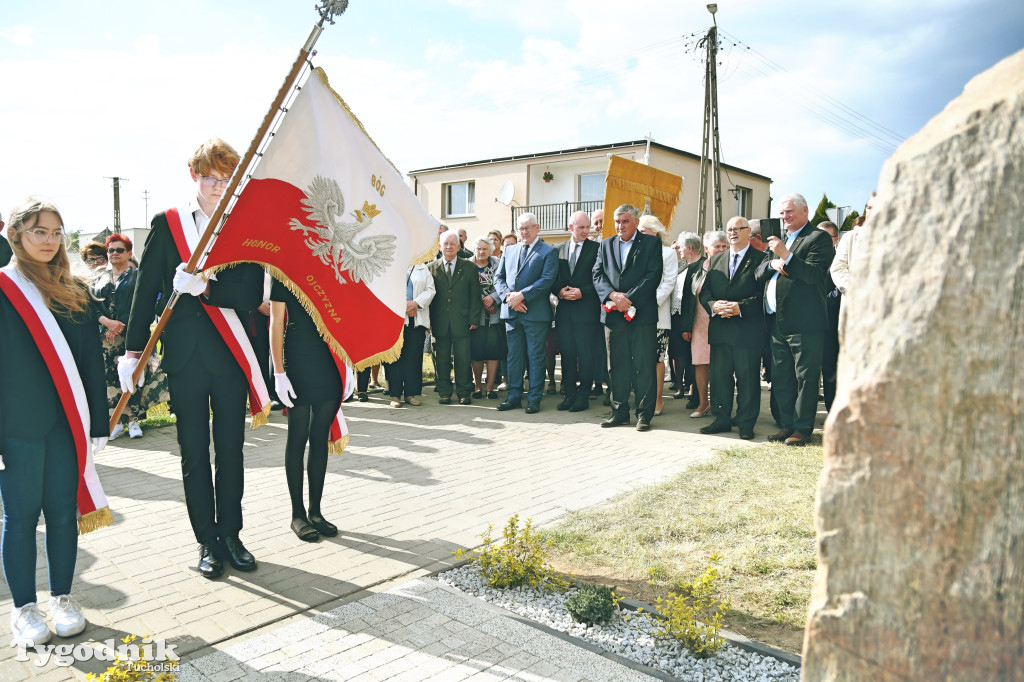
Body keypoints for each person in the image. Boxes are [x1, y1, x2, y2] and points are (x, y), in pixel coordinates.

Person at [121, 138, 268, 579]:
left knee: (231, 450)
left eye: (226, 179)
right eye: (210, 178)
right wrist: (132, 351)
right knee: (192, 452)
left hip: (230, 354)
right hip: (184, 356)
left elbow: (250, 292)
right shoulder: (168, 224)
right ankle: (206, 539)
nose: (217, 187)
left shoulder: (242, 224)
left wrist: (206, 288)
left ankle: (232, 535)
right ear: (195, 177)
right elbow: (145, 290)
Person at [0, 199, 111, 646]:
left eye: (56, 232)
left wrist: (98, 424)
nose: (49, 240)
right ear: (16, 235)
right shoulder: (4, 288)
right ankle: (24, 608)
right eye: (38, 232)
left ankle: (62, 598)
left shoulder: (76, 290)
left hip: (68, 426)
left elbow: (90, 363)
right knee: (21, 517)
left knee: (65, 514)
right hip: (16, 427)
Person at [270, 278, 350, 542]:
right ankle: (297, 514)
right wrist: (279, 372)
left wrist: (348, 364)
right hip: (299, 358)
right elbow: (276, 322)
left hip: (329, 358)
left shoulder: (330, 264)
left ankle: (315, 512)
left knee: (319, 438)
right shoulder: (282, 268)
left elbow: (347, 313)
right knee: (298, 437)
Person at [754, 193, 836, 446]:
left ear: (805, 211)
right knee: (781, 378)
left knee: (806, 378)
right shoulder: (780, 240)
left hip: (805, 322)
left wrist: (786, 256)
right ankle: (787, 424)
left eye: (789, 212)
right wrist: (773, 264)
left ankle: (802, 428)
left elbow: (814, 275)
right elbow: (759, 273)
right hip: (777, 322)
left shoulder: (817, 238)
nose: (784, 217)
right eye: (781, 213)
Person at [593, 204, 664, 431]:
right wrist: (612, 295)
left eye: (624, 221)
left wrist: (628, 299)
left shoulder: (651, 243)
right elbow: (597, 274)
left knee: (643, 365)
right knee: (616, 366)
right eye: (616, 221)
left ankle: (644, 414)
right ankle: (619, 411)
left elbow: (653, 275)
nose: (619, 226)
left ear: (635, 222)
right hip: (613, 317)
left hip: (641, 315)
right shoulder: (606, 244)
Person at [94, 233, 168, 440]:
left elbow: (141, 305)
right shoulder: (98, 278)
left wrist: (120, 326)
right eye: (110, 250)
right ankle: (116, 422)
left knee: (132, 378)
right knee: (111, 380)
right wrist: (106, 323)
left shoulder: (138, 276)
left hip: (131, 337)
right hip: (106, 338)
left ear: (129, 253)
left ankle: (133, 421)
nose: (114, 254)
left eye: (119, 250)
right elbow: (91, 305)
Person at [698, 217, 766, 439]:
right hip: (721, 330)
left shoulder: (761, 259)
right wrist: (713, 305)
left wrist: (741, 308)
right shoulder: (716, 260)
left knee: (747, 380)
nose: (733, 233)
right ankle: (721, 418)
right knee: (720, 378)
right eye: (729, 230)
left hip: (746, 330)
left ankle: (746, 423)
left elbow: (763, 295)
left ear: (749, 233)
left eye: (738, 229)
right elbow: (705, 292)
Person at [494, 213, 558, 414]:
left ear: (537, 227)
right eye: (520, 228)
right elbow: (499, 277)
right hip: (512, 313)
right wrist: (509, 298)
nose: (524, 232)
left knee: (535, 356)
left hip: (535, 314)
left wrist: (522, 295)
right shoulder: (509, 250)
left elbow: (547, 280)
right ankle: (513, 397)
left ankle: (534, 398)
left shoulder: (548, 251)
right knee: (514, 356)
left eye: (528, 228)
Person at [427, 230, 482, 404]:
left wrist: (474, 319)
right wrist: (428, 323)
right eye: (446, 243)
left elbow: (475, 296)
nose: (449, 246)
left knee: (463, 358)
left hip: (463, 322)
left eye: (452, 243)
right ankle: (444, 391)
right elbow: (429, 298)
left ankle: (464, 392)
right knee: (442, 359)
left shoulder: (470, 267)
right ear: (439, 246)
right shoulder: (431, 268)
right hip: (439, 322)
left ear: (459, 246)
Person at [554, 211, 600, 412]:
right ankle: (569, 395)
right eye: (581, 227)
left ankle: (583, 396)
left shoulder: (597, 249)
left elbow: (601, 279)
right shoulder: (558, 250)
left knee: (586, 354)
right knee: (567, 354)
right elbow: (552, 277)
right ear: (571, 227)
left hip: (587, 312)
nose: (585, 231)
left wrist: (584, 292)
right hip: (565, 313)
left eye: (587, 227)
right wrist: (559, 291)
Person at [637, 215, 679, 417]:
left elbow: (669, 282)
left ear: (655, 232)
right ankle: (642, 398)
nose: (639, 234)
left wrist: (650, 303)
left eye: (643, 231)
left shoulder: (668, 253)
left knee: (656, 358)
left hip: (657, 314)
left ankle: (658, 398)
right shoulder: (636, 250)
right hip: (635, 314)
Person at [685, 231, 728, 419]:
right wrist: (686, 326)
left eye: (723, 246)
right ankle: (703, 403)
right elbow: (688, 298)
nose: (721, 249)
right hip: (699, 321)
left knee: (720, 365)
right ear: (707, 248)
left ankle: (721, 405)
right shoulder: (697, 268)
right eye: (717, 246)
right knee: (700, 363)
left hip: (721, 321)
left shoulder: (729, 266)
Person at [384, 263, 435, 408]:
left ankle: (410, 394)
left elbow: (430, 290)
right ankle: (395, 395)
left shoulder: (422, 268)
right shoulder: (391, 265)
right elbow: (385, 291)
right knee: (395, 359)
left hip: (416, 320)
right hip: (395, 320)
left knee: (413, 357)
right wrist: (404, 305)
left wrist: (415, 303)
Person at [469, 237, 505, 399]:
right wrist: (481, 302)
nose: (481, 252)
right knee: (476, 353)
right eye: (478, 248)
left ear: (490, 250)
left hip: (494, 314)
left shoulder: (498, 263)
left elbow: (504, 283)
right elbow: (465, 289)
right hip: (475, 316)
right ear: (474, 249)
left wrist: (493, 299)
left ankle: (490, 388)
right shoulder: (467, 265)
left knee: (493, 352)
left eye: (485, 248)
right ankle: (477, 387)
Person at [670, 232, 703, 406]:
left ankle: (695, 393)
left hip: (692, 321)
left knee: (693, 358)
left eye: (681, 247)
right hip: (678, 318)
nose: (679, 250)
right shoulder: (683, 266)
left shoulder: (701, 266)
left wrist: (687, 327)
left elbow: (691, 299)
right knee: (679, 353)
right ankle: (681, 385)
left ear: (689, 248)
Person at [818, 221, 842, 412]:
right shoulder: (810, 258)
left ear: (836, 240)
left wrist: (815, 300)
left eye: (825, 237)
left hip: (829, 325)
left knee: (830, 371)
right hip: (807, 325)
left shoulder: (839, 261)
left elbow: (838, 293)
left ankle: (832, 411)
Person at [589, 208, 610, 399]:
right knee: (595, 346)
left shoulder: (615, 243)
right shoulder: (593, 244)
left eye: (601, 221)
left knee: (609, 348)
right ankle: (596, 383)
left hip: (610, 303)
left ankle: (611, 385)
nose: (598, 226)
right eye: (595, 222)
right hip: (591, 304)